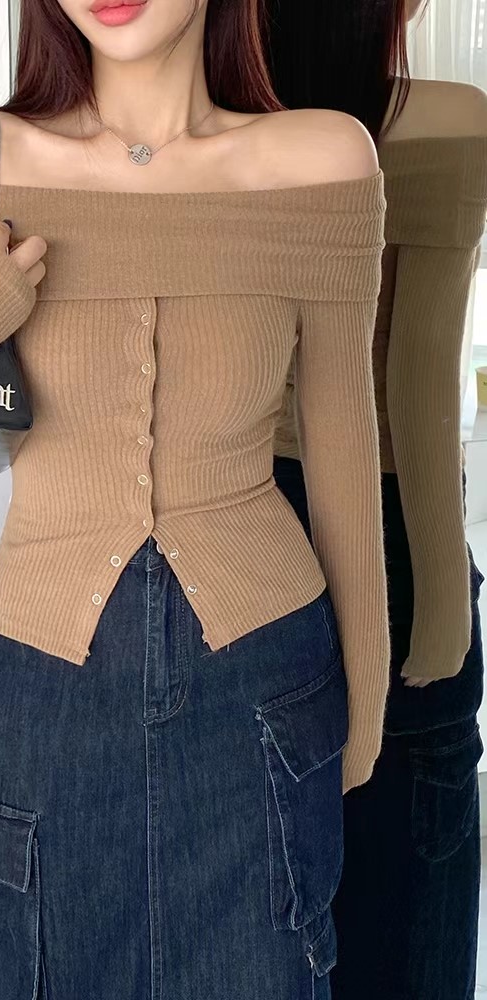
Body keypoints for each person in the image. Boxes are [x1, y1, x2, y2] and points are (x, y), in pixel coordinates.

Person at [0, 1, 390, 996]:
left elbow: (342, 455)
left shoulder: (322, 161)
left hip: (265, 687)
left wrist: (361, 717)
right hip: (44, 691)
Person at [267, 1, 487, 997]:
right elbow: (419, 391)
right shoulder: (451, 116)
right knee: (409, 908)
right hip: (400, 531)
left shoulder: (225, 134)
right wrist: (440, 621)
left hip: (247, 522)